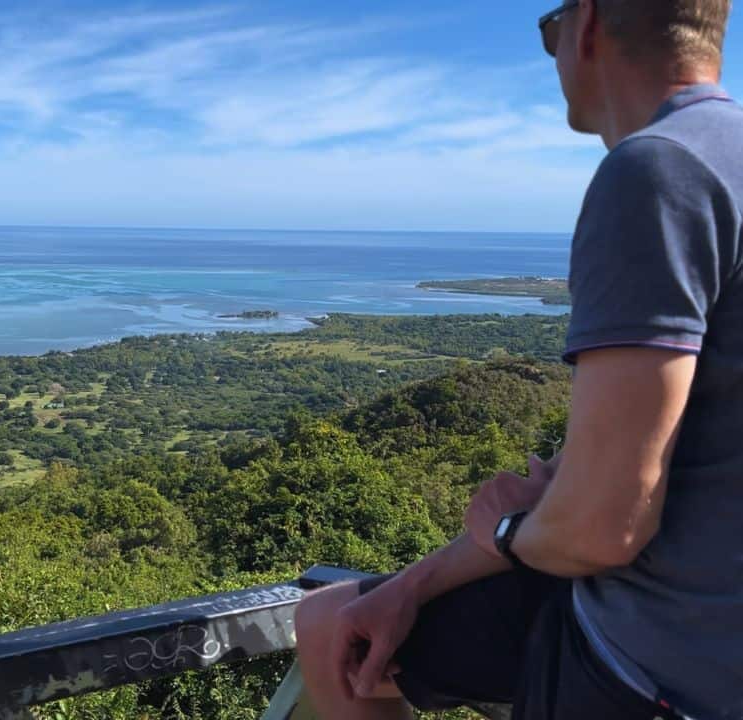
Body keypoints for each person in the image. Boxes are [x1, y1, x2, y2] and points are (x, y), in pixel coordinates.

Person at [294, 1, 742, 718]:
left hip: (657, 661)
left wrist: (505, 530)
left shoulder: (659, 169)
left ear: (587, 26)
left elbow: (603, 527)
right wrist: (411, 585)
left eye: (548, 33)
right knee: (329, 622)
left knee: (333, 641)